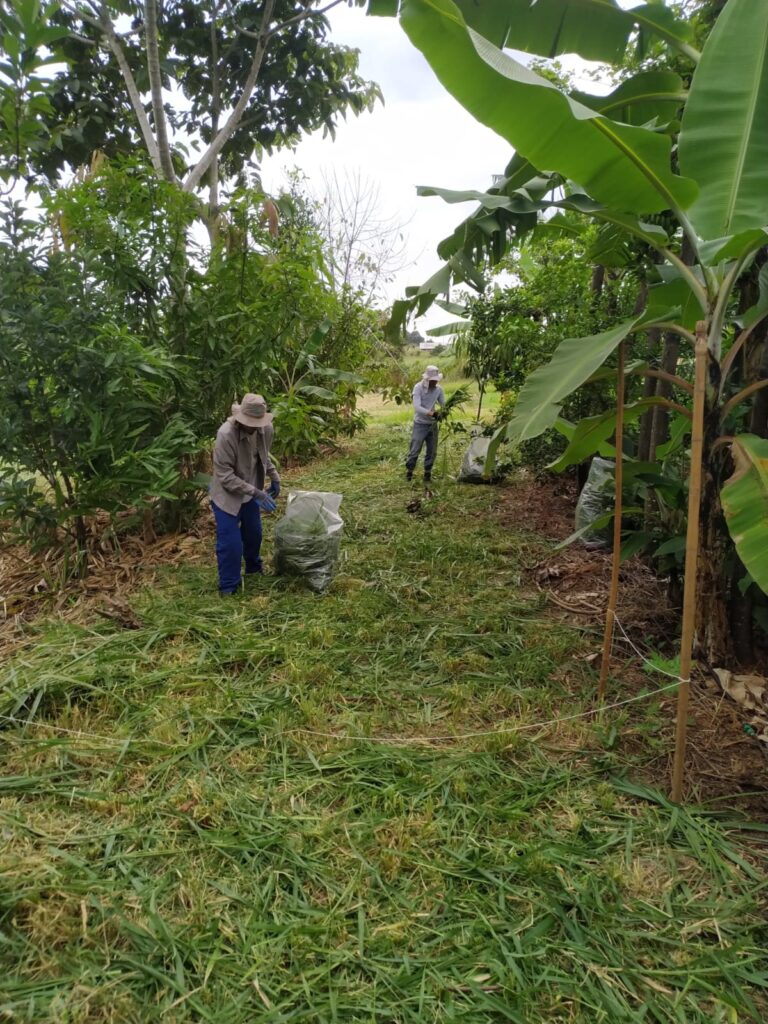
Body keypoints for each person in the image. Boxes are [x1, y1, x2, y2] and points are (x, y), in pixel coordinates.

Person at [210, 393, 281, 595]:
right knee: (230, 543)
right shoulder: (226, 434)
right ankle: (229, 585)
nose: (254, 427)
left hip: (251, 490)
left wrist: (275, 477)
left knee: (254, 534)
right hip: (226, 495)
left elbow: (264, 457)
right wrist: (257, 493)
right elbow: (225, 475)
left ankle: (253, 570)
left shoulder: (265, 429)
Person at [405, 364, 445, 483]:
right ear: (427, 379)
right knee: (415, 449)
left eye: (436, 381)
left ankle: (427, 473)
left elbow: (443, 403)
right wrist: (433, 414)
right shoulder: (418, 387)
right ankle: (409, 471)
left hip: (432, 425)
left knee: (432, 450)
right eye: (433, 381)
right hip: (420, 424)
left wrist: (444, 411)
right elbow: (417, 407)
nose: (435, 383)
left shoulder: (439, 389)